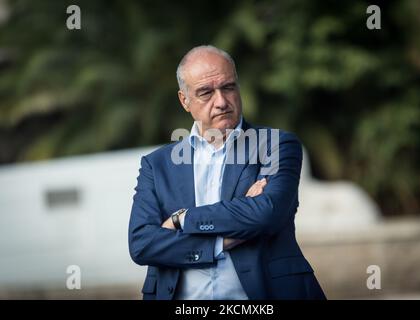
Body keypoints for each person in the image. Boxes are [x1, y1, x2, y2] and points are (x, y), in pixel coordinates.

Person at [128, 45, 326, 300]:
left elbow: (267, 214)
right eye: (206, 93)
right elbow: (142, 244)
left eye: (228, 87)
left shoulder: (275, 145)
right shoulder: (157, 165)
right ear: (184, 100)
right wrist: (223, 239)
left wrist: (181, 220)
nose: (221, 101)